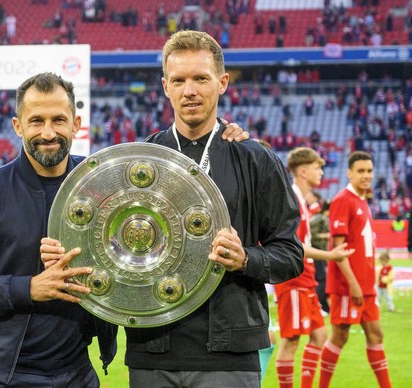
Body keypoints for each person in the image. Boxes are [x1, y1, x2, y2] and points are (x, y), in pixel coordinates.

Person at [126, 29, 303, 387]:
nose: (189, 90)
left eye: (200, 79)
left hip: (229, 355)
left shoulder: (256, 159)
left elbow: (291, 255)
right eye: (179, 80)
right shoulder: (139, 161)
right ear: (165, 86)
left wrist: (246, 260)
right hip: (152, 352)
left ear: (221, 82)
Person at [0, 72, 119, 387]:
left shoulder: (98, 185)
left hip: (77, 373)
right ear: (18, 126)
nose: (48, 133)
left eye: (58, 120)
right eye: (36, 121)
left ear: (76, 124)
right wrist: (27, 288)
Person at [274, 147, 354, 388]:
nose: (321, 172)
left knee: (320, 336)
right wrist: (331, 255)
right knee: (291, 340)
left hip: (306, 277)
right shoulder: (293, 199)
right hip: (294, 277)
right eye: (318, 167)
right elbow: (294, 246)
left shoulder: (301, 199)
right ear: (304, 170)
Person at [319, 151, 392, 388]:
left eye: (369, 171)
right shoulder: (343, 200)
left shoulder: (363, 200)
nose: (366, 176)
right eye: (360, 171)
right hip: (348, 286)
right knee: (340, 337)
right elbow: (339, 250)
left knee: (376, 335)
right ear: (349, 173)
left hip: (367, 285)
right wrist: (353, 284)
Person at [310, 194, 332, 313]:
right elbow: (311, 234)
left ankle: (324, 307)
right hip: (317, 252)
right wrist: (327, 236)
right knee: (322, 279)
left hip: (320, 252)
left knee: (322, 279)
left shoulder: (320, 218)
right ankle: (318, 306)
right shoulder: (320, 218)